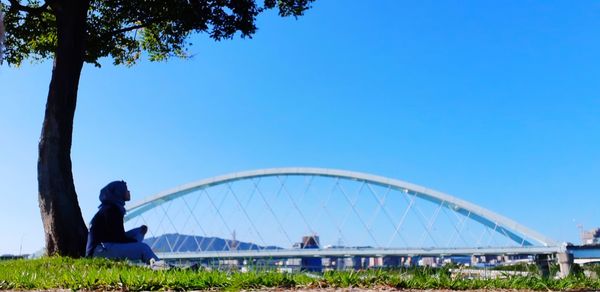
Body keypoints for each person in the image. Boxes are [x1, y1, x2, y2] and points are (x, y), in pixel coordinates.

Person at [86, 180, 160, 265]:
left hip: (100, 248)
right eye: (126, 190)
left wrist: (135, 239)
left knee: (140, 231)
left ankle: (154, 262)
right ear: (119, 192)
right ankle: (159, 266)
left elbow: (117, 236)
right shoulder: (112, 210)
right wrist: (134, 242)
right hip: (100, 250)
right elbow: (118, 238)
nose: (129, 192)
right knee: (144, 248)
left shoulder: (110, 208)